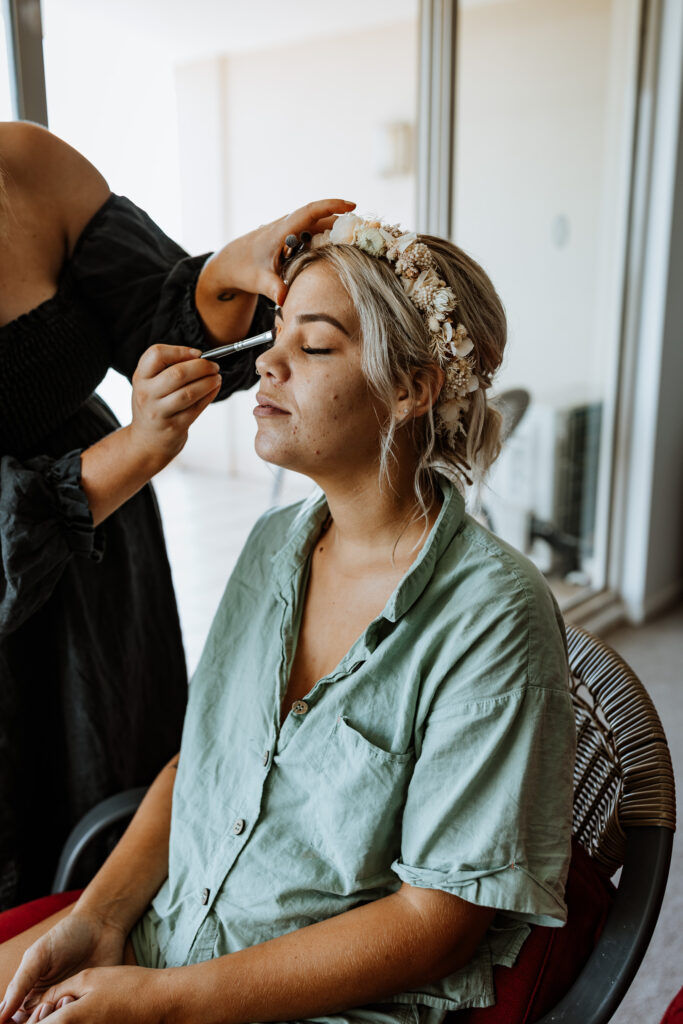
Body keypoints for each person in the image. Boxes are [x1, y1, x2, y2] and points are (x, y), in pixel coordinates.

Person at [0, 211, 575, 1023]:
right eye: (275, 334)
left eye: (314, 346)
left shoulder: (493, 616)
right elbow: (196, 767)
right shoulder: (275, 545)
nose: (265, 362)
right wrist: (96, 920)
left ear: (410, 389)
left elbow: (437, 922)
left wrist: (163, 1004)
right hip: (160, 942)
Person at [0, 118, 354, 909]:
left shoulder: (28, 165)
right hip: (17, 589)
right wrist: (135, 447)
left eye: (314, 344)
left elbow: (159, 323)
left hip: (105, 569)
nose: (272, 364)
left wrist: (229, 269)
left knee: (123, 795)